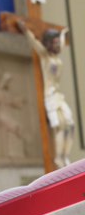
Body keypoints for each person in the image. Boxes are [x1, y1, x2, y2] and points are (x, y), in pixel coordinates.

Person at [18, 20, 75, 168]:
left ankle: (65, 156)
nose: (58, 45)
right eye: (54, 43)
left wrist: (63, 33)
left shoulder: (57, 57)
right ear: (48, 44)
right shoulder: (45, 56)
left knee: (70, 124)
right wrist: (26, 30)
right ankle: (58, 159)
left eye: (58, 42)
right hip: (50, 96)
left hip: (59, 95)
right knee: (59, 126)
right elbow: (34, 42)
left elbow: (61, 41)